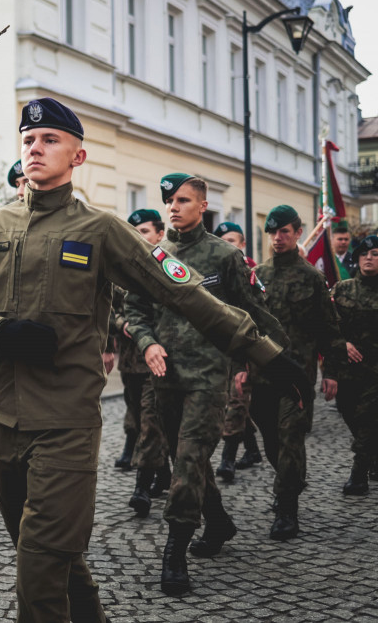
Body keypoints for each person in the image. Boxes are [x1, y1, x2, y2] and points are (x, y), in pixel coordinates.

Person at [0, 98, 309, 618]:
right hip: (4, 418)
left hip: (66, 422)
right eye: (29, 140)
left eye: (50, 140)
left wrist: (268, 355)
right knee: (52, 557)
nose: (35, 149)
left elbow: (182, 292)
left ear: (78, 156)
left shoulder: (101, 229)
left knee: (40, 564)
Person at [125, 174, 293, 593]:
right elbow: (134, 310)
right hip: (165, 378)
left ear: (203, 206)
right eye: (169, 201)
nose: (173, 207)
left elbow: (255, 313)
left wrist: (275, 364)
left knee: (187, 463)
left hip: (208, 378)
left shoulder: (224, 257)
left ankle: (174, 554)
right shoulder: (155, 255)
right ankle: (217, 523)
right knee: (190, 460)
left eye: (183, 200)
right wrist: (147, 344)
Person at [245, 205, 344, 539]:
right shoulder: (258, 275)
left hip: (297, 375)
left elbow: (329, 330)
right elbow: (246, 326)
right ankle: (291, 480)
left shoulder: (312, 278)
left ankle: (287, 508)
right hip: (261, 373)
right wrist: (239, 368)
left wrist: (330, 371)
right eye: (273, 233)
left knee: (290, 437)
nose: (277, 238)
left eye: (284, 232)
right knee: (271, 440)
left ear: (298, 232)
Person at [114, 209, 172, 516]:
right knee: (137, 419)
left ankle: (142, 486)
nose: (139, 236)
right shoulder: (123, 269)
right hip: (129, 362)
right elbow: (109, 309)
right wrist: (121, 323)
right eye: (134, 231)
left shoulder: (170, 268)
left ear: (160, 234)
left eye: (145, 231)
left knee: (151, 424)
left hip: (157, 362)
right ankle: (163, 474)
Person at [212, 221, 262, 479]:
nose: (227, 246)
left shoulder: (251, 272)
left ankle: (227, 459)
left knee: (236, 401)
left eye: (232, 240)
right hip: (217, 349)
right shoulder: (210, 273)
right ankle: (252, 450)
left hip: (244, 349)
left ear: (242, 244)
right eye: (222, 241)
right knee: (236, 404)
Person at [332, 234, 378, 494]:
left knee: (368, 415)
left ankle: (359, 473)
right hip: (349, 368)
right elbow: (329, 324)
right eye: (364, 254)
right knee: (349, 410)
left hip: (376, 369)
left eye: (374, 254)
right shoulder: (343, 288)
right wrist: (343, 344)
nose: (368, 258)